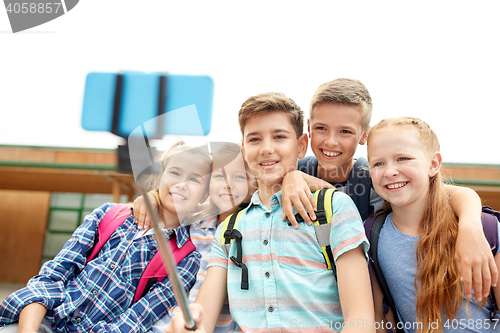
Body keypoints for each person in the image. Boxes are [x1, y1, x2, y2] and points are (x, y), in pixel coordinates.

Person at [167, 92, 375, 332]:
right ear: (244, 149)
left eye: (279, 137)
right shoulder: (228, 231)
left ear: (300, 145)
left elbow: (360, 321)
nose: (266, 148)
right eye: (255, 139)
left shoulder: (334, 208)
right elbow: (202, 318)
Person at [282, 78, 497, 301]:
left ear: (364, 135)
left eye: (345, 131)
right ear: (308, 127)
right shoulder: (294, 169)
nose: (331, 141)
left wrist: (471, 226)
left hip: (359, 298)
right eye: (321, 129)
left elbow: (452, 193)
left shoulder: (374, 178)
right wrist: (291, 175)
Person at [0, 141, 211, 333]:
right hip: (41, 321)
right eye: (175, 173)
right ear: (161, 177)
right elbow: (51, 278)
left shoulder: (185, 260)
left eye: (194, 179)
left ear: (204, 195)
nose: (181, 184)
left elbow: (134, 321)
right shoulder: (108, 215)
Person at [134, 143, 332, 333]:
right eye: (219, 176)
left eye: (239, 177)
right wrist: (152, 197)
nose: (227, 185)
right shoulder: (195, 220)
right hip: (164, 323)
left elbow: (331, 193)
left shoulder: (257, 232)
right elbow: (170, 201)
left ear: (253, 185)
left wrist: (294, 177)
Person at [366, 116, 500, 332]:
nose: (390, 171)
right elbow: (379, 320)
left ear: (433, 164)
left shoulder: (486, 230)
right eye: (378, 163)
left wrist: (470, 226)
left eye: (403, 158)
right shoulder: (373, 235)